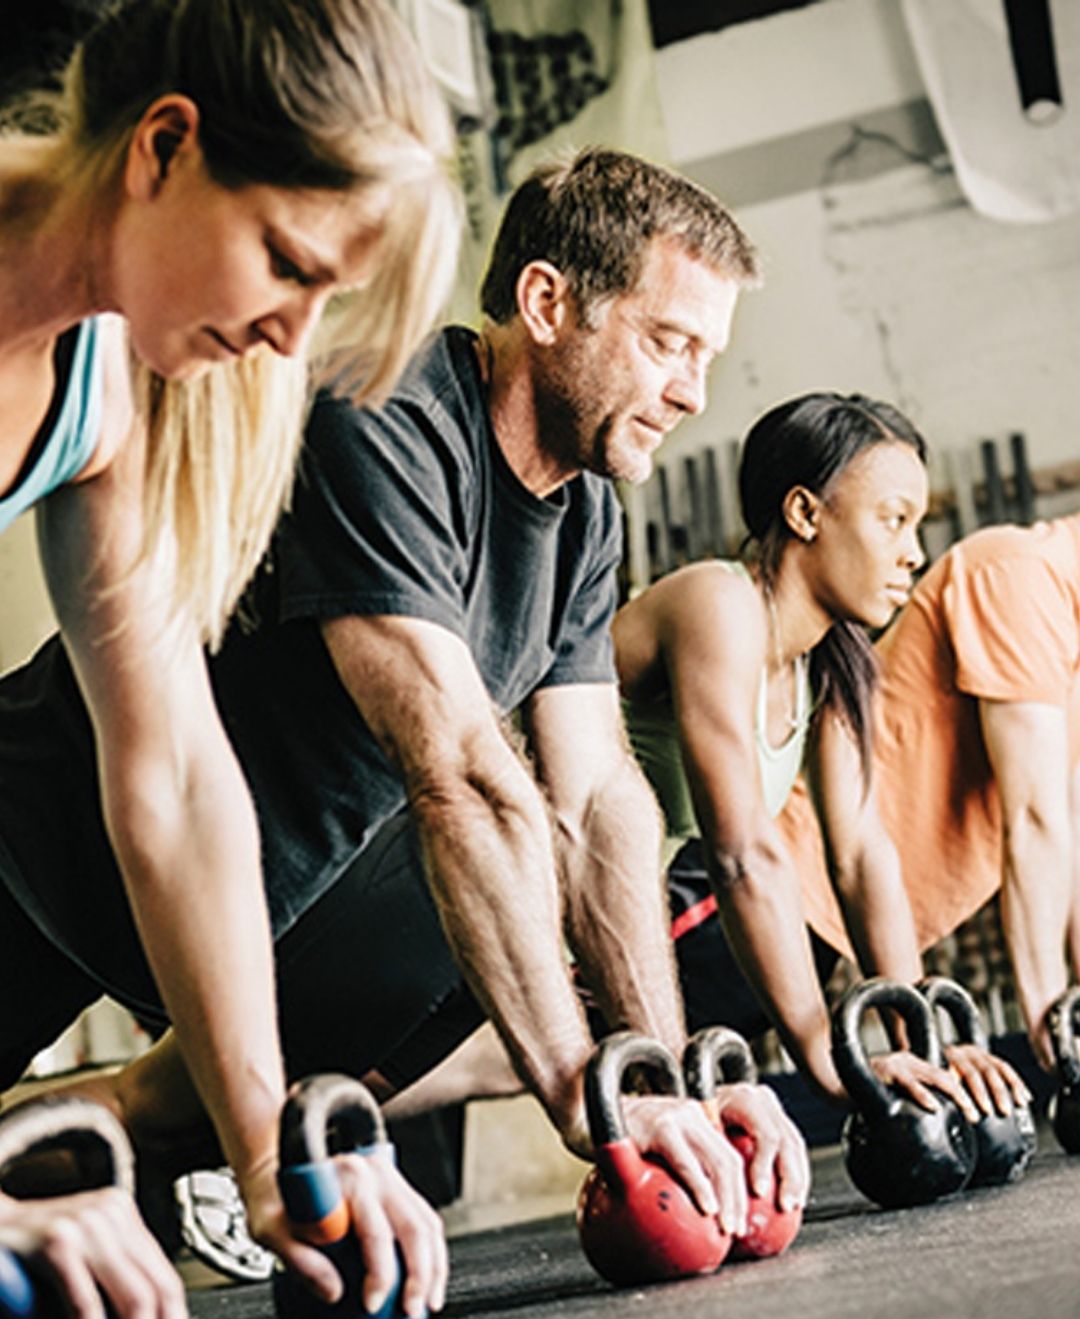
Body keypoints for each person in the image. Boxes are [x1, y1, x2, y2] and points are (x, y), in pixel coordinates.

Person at [0, 147, 809, 1251]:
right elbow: (459, 768)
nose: (693, 392)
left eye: (707, 357)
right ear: (546, 302)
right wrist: (584, 1092)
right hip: (49, 851)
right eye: (669, 343)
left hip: (240, 908)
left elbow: (594, 798)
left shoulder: (586, 516)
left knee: (482, 924)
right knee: (484, 837)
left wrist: (655, 1077)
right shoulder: (380, 408)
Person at [0, 0, 458, 1319]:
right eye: (284, 262)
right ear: (164, 147)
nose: (288, 337)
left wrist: (267, 1143)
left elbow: (175, 781)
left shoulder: (100, 386)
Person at [614, 392, 1028, 1118]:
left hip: (577, 931)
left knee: (386, 1085)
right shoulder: (718, 605)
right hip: (455, 891)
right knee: (368, 1073)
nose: (915, 552)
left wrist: (922, 1035)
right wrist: (829, 1057)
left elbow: (863, 859)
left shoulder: (833, 668)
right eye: (893, 520)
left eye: (918, 525)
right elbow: (741, 853)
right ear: (806, 514)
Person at [777, 512, 1080, 1079]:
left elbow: (1070, 824)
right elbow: (1035, 818)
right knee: (618, 1062)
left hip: (836, 917)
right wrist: (1052, 1031)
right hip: (771, 884)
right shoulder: (1019, 574)